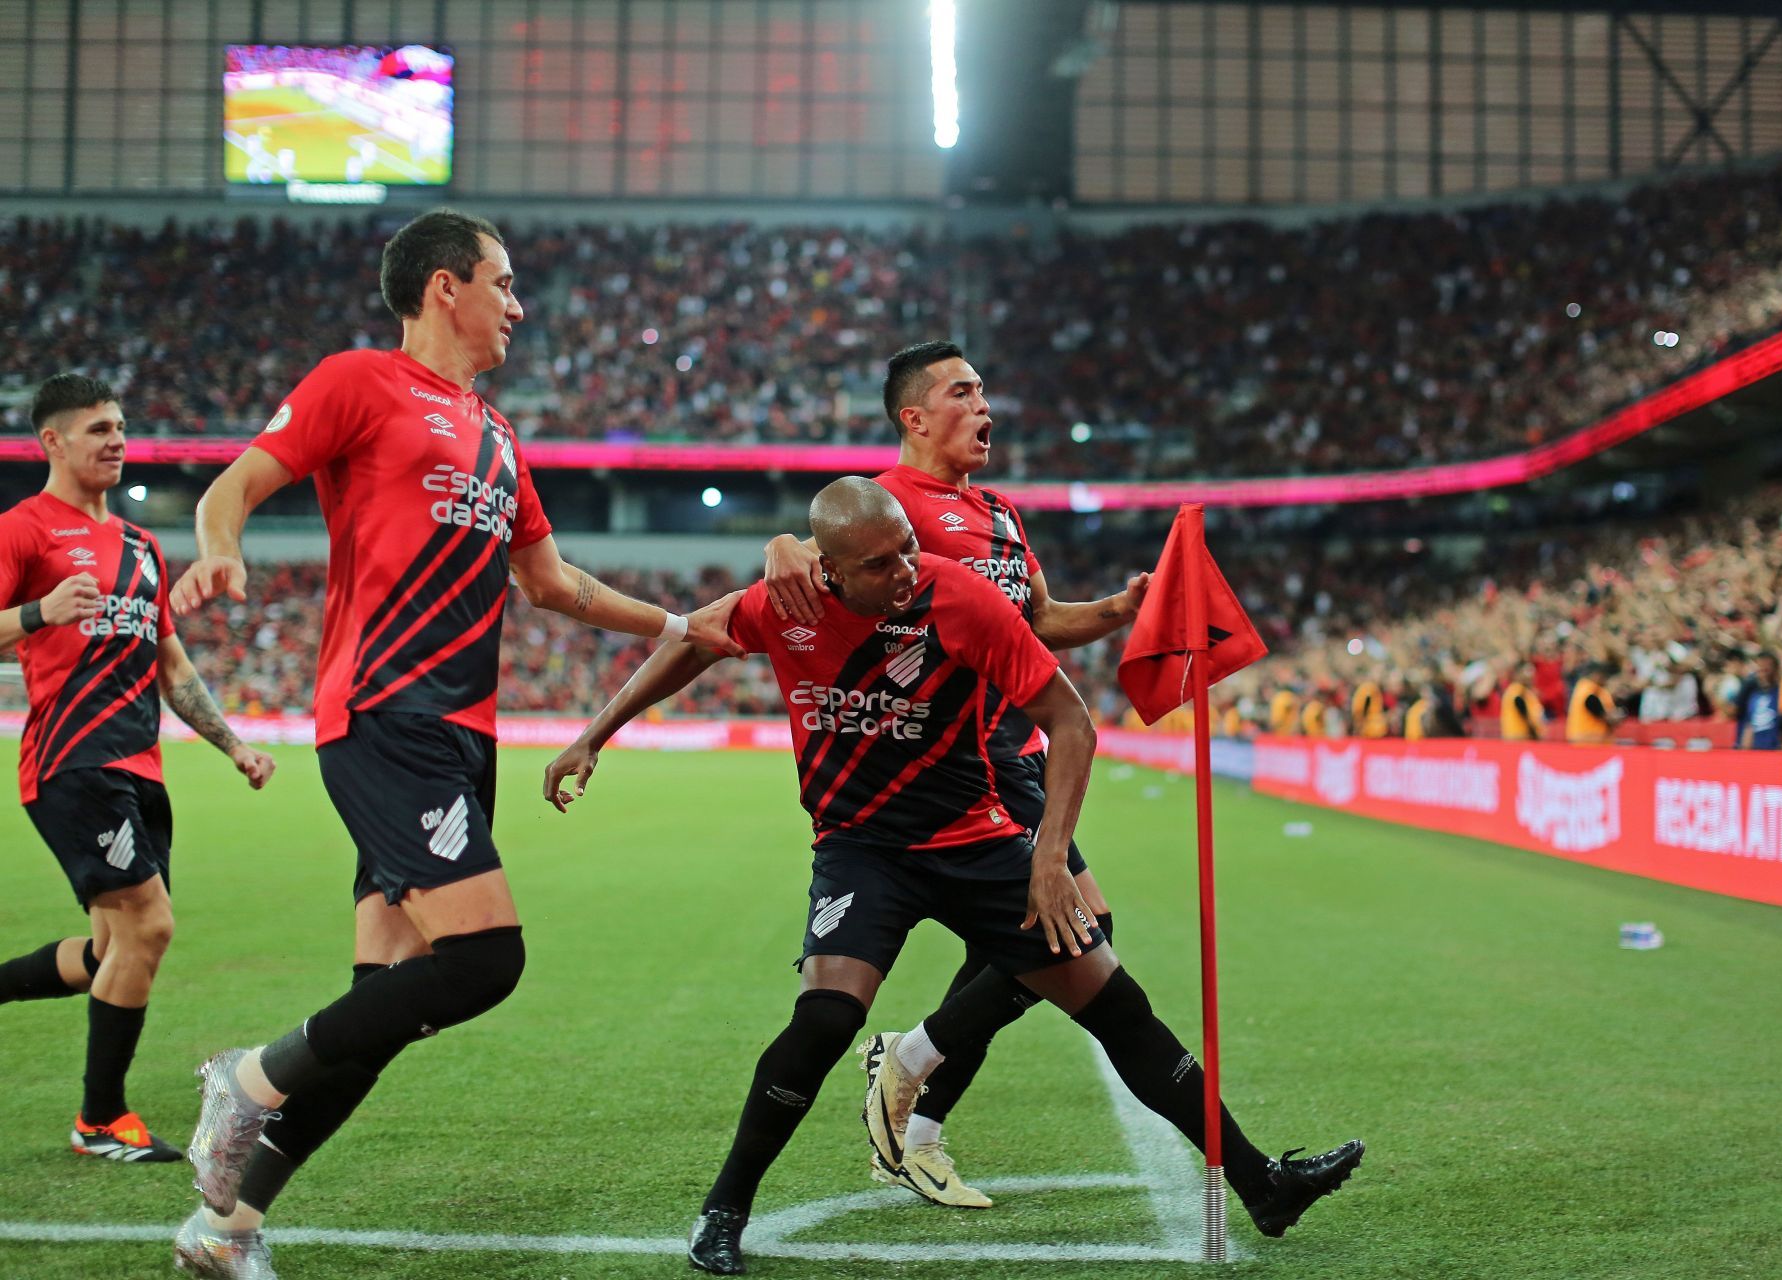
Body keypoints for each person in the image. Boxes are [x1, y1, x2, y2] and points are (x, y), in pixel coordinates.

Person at [543, 478, 1364, 1276]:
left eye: (907, 550)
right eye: (879, 565)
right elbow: (693, 640)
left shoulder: (962, 599)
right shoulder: (784, 605)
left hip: (975, 844)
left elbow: (1071, 724)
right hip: (862, 850)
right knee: (825, 1019)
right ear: (828, 570)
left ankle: (1263, 1185)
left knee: (1119, 1007)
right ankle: (724, 1211)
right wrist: (595, 734)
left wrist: (1049, 860)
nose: (904, 572)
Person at [164, 209, 742, 1280]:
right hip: (386, 715)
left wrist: (670, 625)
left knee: (378, 1011)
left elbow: (554, 582)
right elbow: (234, 484)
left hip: (460, 738)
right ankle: (245, 1076)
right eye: (505, 282)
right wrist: (221, 552)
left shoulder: (498, 434)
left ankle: (225, 1226)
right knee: (486, 959)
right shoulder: (356, 382)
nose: (518, 305)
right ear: (444, 287)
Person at [757, 342, 1150, 1206]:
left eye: (985, 389)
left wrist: (1118, 611)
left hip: (1025, 751)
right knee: (1072, 932)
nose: (986, 408)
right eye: (965, 392)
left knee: (1051, 936)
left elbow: (1038, 621)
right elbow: (818, 560)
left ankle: (913, 1091)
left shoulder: (1002, 513)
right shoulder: (892, 509)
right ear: (914, 415)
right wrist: (779, 541)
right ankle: (914, 1084)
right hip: (967, 756)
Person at [0, 374, 276, 1165]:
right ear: (51, 441)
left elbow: (170, 663)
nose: (116, 440)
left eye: (120, 426)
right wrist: (36, 615)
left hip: (140, 769)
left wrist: (231, 744)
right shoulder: (23, 530)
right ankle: (99, 1119)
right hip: (72, 761)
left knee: (105, 953)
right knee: (149, 927)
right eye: (96, 429)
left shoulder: (141, 547)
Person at [1733, 651, 1782, 750]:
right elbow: (1748, 724)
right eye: (1759, 670)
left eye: (1766, 670)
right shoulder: (1751, 693)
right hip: (1754, 750)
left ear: (1775, 670)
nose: (1762, 674)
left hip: (1775, 748)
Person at [1500, 662, 1545, 741]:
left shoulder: (1524, 690)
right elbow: (1518, 701)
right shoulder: (1516, 688)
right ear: (1518, 674)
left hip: (1519, 737)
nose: (1530, 676)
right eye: (1527, 672)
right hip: (1518, 737)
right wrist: (1532, 729)